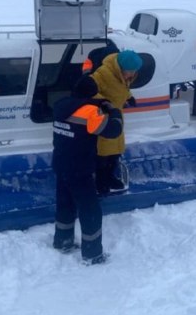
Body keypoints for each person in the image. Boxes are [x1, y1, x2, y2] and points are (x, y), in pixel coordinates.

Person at [52, 75, 123, 264]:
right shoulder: (90, 112)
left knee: (65, 204)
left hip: (60, 164)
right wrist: (114, 111)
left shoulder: (61, 105)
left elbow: (78, 108)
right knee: (89, 209)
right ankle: (92, 253)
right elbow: (113, 130)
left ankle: (63, 241)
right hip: (80, 168)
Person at [90, 49, 142, 194]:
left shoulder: (123, 76)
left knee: (116, 150)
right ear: (121, 68)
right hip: (104, 117)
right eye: (130, 71)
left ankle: (111, 176)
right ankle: (101, 180)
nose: (132, 75)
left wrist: (129, 97)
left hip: (116, 116)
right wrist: (104, 102)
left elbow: (121, 89)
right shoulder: (102, 74)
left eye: (134, 71)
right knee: (103, 152)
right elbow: (88, 90)